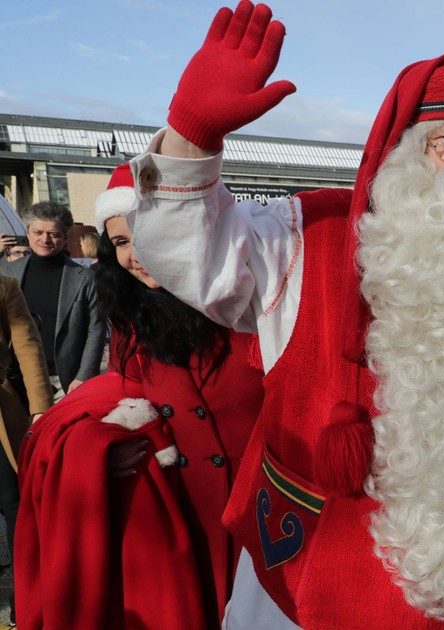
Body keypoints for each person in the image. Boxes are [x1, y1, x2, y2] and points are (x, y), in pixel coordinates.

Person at [122, 3, 444, 627]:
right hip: (311, 584)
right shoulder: (312, 236)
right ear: (411, 155)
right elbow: (191, 257)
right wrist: (191, 137)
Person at [15, 163, 267, 627]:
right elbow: (128, 392)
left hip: (263, 526)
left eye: (149, 233)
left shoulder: (258, 303)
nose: (138, 254)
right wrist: (96, 449)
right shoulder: (133, 317)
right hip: (187, 524)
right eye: (123, 241)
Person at [0, 201, 105, 399]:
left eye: (54, 234)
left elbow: (96, 329)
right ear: (28, 232)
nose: (45, 239)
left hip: (65, 380)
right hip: (13, 378)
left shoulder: (85, 278)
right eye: (38, 232)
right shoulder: (6, 272)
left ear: (65, 237)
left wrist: (84, 375)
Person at [0, 273, 54, 617]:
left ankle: (26, 602)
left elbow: (28, 346)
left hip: (3, 418)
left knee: (15, 506)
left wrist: (40, 410)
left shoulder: (4, 286)